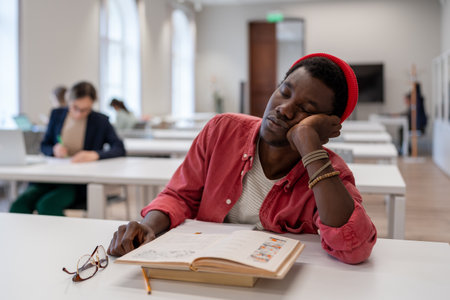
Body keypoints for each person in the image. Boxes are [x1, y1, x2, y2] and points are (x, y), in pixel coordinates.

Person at [107, 53, 377, 264]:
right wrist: (147, 227)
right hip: (203, 267)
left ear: (326, 125)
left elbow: (354, 248)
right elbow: (179, 196)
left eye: (305, 110)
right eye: (284, 91)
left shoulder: (330, 173)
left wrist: (310, 145)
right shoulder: (222, 130)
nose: (284, 109)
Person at [10, 81, 126, 216]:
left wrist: (95, 155)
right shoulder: (56, 114)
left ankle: (56, 237)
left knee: (47, 205)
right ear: (68, 101)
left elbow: (119, 148)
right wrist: (54, 150)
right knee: (19, 205)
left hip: (75, 183)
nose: (78, 113)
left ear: (92, 104)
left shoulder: (100, 121)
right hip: (50, 176)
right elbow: (44, 145)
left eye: (85, 109)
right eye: (75, 107)